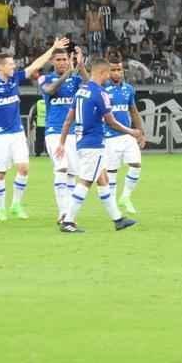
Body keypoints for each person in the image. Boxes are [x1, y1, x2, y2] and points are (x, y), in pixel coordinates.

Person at [0, 35, 69, 221]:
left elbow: (36, 65)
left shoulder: (15, 79)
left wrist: (53, 48)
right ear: (0, 67)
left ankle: (16, 204)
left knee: (24, 168)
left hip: (17, 133)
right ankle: (1, 209)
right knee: (0, 174)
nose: (14, 66)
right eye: (10, 64)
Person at [55, 58, 137, 233]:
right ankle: (68, 221)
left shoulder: (80, 91)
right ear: (103, 73)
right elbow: (111, 121)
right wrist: (131, 131)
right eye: (108, 73)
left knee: (103, 179)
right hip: (94, 143)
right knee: (85, 181)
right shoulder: (100, 93)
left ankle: (118, 219)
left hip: (82, 141)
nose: (109, 77)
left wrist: (62, 142)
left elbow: (69, 119)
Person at [38, 44, 85, 224]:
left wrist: (80, 67)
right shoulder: (45, 78)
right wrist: (68, 74)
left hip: (73, 131)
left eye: (65, 59)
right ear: (52, 61)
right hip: (54, 131)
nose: (63, 62)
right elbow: (50, 90)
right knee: (61, 168)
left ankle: (69, 211)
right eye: (58, 60)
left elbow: (90, 85)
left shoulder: (75, 80)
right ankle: (63, 212)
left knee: (72, 174)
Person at [103, 53, 146, 215]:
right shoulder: (103, 90)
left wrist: (141, 132)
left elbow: (133, 111)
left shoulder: (129, 89)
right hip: (109, 137)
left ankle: (126, 197)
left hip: (127, 136)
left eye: (119, 70)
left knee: (136, 165)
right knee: (111, 173)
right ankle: (113, 206)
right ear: (108, 72)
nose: (117, 73)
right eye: (113, 70)